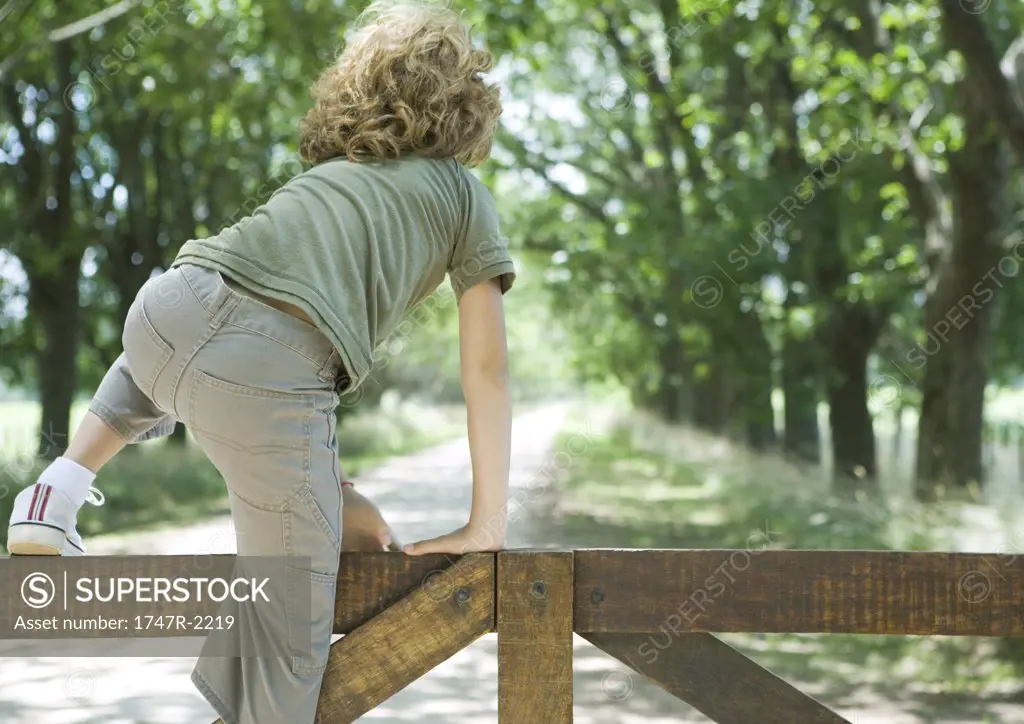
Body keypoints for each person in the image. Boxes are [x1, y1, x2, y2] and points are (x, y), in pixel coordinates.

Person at [5, 1, 514, 721]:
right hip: (264, 379)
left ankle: (53, 492)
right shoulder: (463, 197)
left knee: (181, 363)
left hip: (164, 312)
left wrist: (345, 505)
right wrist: (485, 524)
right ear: (469, 107)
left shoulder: (330, 177)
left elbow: (235, 333)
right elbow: (486, 372)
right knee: (287, 650)